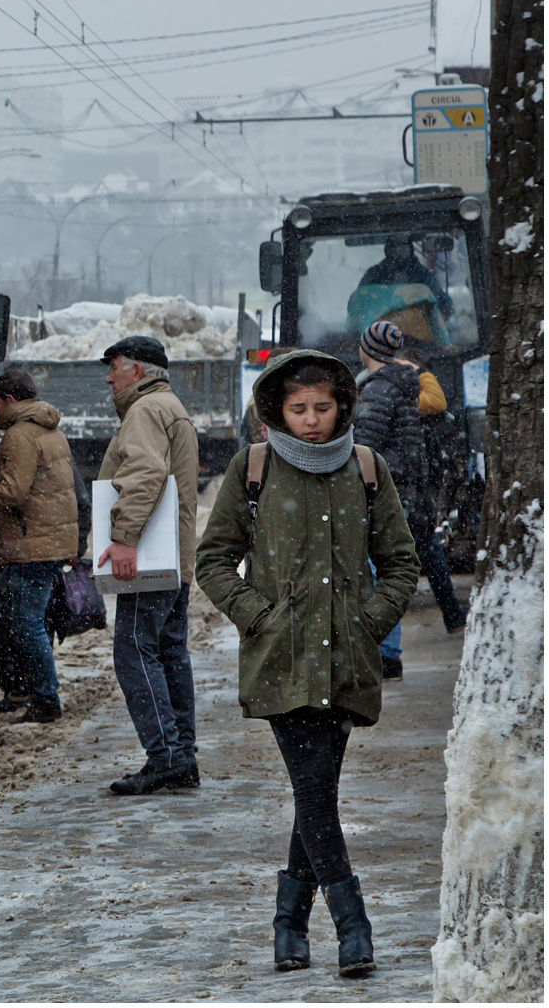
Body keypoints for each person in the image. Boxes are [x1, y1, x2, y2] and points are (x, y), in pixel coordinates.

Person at [196, 349, 420, 977]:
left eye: (322, 407)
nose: (312, 420)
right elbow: (213, 561)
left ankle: (289, 928)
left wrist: (370, 621)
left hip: (347, 660)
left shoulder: (367, 467)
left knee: (312, 795)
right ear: (276, 411)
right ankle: (354, 927)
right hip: (281, 662)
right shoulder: (253, 468)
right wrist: (259, 617)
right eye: (298, 409)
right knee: (316, 794)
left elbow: (401, 561)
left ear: (342, 405)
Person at [96, 335, 201, 794]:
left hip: (152, 560)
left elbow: (145, 475)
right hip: (174, 557)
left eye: (114, 367)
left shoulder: (145, 411)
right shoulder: (170, 406)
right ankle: (182, 757)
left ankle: (163, 758)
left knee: (135, 650)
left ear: (137, 371)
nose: (108, 377)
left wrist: (123, 539)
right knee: (170, 651)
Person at [0, 368, 79, 725]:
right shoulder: (49, 429)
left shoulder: (20, 435)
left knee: (26, 624)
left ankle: (45, 699)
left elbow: (12, 493)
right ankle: (29, 692)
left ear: (9, 400)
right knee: (18, 620)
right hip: (47, 540)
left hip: (31, 545)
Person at [354, 323, 468, 662]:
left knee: (380, 573)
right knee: (404, 564)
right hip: (409, 491)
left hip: (386, 492)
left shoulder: (378, 391)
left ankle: (387, 655)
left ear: (366, 351)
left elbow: (365, 449)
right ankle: (439, 623)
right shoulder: (403, 386)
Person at [346, 236, 450, 345]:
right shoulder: (374, 275)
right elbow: (360, 309)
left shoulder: (423, 276)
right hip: (378, 343)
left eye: (403, 245)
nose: (398, 251)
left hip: (420, 345)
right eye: (394, 246)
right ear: (387, 249)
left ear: (410, 248)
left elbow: (443, 307)